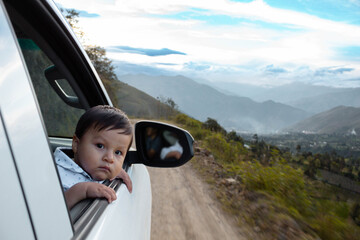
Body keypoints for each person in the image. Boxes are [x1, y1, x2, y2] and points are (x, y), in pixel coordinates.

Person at [54, 105, 133, 209]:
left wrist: (114, 171)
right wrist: (82, 190)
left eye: (118, 152)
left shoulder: (94, 167)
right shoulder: (54, 172)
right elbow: (48, 212)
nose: (110, 158)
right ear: (76, 144)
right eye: (100, 146)